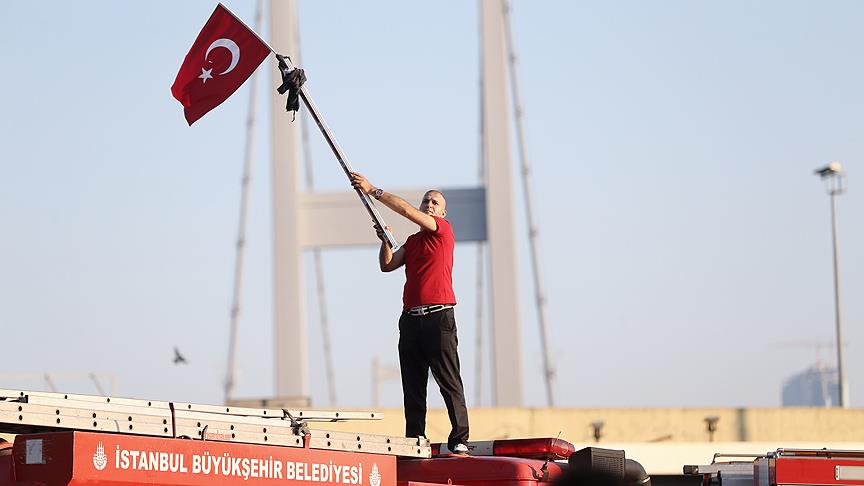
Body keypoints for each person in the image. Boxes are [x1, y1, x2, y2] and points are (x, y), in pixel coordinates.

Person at [349, 172, 470, 455]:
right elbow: (388, 265)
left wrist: (373, 190)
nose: (430, 204)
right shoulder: (414, 242)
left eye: (435, 202)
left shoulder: (443, 230)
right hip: (411, 319)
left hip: (439, 317)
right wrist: (384, 241)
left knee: (448, 380)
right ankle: (415, 437)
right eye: (426, 200)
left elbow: (405, 211)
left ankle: (459, 437)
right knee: (413, 384)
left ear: (442, 213)